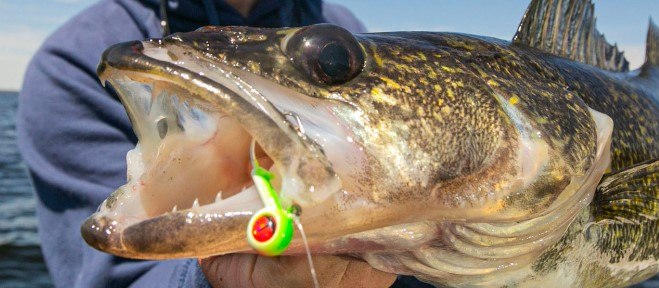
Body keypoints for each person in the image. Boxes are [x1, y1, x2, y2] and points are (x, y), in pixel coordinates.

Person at [16, 0, 399, 287]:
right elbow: (110, 274)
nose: (336, 61)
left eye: (334, 63)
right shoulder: (71, 59)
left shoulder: (344, 24)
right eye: (335, 62)